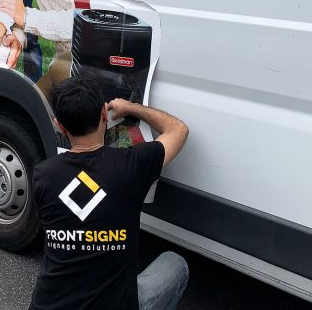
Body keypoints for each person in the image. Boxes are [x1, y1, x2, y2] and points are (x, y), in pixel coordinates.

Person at [28, 76, 190, 310]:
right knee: (176, 264)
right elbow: (178, 130)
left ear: (59, 126)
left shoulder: (43, 175)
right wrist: (131, 107)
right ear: (105, 114)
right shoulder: (132, 166)